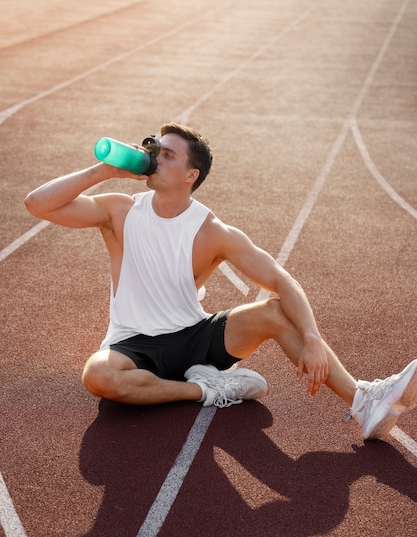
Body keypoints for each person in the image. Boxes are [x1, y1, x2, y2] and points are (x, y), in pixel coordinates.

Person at [25, 122, 417, 440]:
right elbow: (37, 204)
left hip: (194, 336)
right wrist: (104, 170)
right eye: (155, 150)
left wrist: (312, 338)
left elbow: (281, 279)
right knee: (98, 376)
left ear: (190, 175)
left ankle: (364, 399)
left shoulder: (212, 231)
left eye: (167, 154)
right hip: (132, 344)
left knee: (275, 312)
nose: (153, 158)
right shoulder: (118, 210)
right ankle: (209, 390)